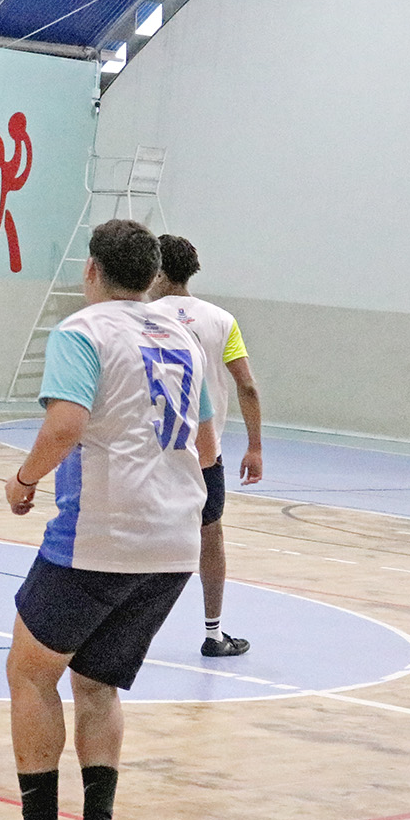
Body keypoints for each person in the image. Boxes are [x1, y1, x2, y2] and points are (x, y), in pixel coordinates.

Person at [0, 219, 216, 820]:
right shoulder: (182, 337)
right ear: (150, 276)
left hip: (99, 538)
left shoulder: (82, 332)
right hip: (174, 545)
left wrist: (23, 480)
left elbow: (66, 425)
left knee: (30, 673)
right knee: (96, 682)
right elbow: (204, 445)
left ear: (91, 270)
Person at [150, 234, 264, 658]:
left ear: (157, 271)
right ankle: (213, 634)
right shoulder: (222, 321)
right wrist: (254, 447)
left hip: (151, 450)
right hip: (203, 452)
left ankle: (115, 629)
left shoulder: (141, 317)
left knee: (137, 532)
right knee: (210, 535)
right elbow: (247, 386)